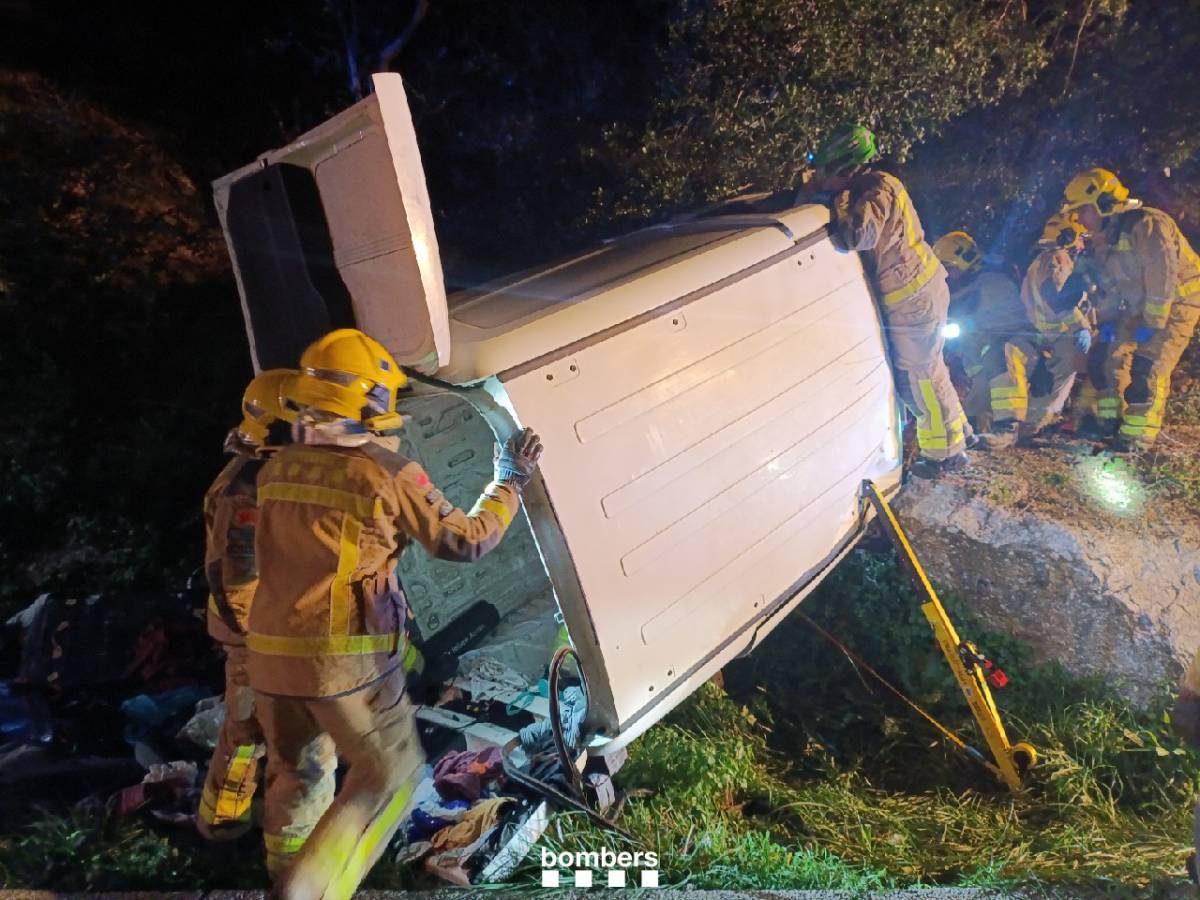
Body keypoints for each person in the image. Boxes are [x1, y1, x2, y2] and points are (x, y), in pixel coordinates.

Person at [246, 327, 543, 898]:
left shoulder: (274, 469)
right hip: (344, 665)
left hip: (270, 661)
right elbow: (466, 540)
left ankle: (283, 873)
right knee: (392, 775)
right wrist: (510, 480)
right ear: (370, 402)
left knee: (298, 775)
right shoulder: (384, 472)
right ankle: (306, 893)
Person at [808, 123, 969, 478]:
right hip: (915, 295)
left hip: (913, 298)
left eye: (824, 172)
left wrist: (836, 201)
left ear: (846, 169)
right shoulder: (877, 184)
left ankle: (946, 456)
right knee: (928, 371)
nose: (819, 179)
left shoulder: (874, 188)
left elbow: (858, 235)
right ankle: (957, 438)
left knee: (922, 377)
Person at [196, 368, 297, 841]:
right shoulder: (246, 491)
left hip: (264, 626)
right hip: (251, 636)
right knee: (246, 732)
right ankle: (222, 826)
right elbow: (232, 578)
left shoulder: (262, 472)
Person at [1061, 167, 1200, 450]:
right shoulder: (1105, 240)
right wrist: (1110, 320)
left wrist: (1154, 322)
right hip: (1142, 306)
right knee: (1108, 359)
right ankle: (1108, 423)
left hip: (1176, 304)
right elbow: (1113, 288)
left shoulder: (1148, 224)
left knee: (1148, 367)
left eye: (1083, 210)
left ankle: (1137, 437)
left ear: (1104, 202)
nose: (1080, 219)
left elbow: (1161, 274)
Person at [932, 230, 1028, 437]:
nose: (946, 274)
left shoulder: (993, 284)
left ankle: (1008, 424)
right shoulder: (959, 290)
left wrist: (971, 326)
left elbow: (1005, 326)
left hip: (1019, 348)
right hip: (990, 357)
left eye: (949, 268)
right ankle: (975, 426)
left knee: (998, 354)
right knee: (982, 378)